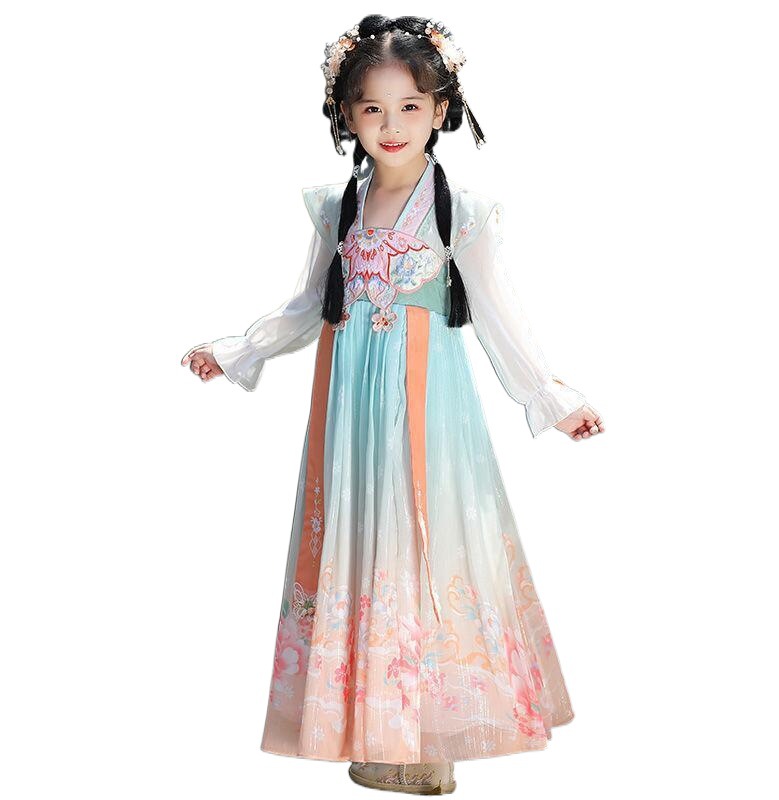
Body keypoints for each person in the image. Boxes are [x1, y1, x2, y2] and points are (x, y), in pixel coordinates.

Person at [181, 14, 605, 795]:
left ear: (441, 109)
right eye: (372, 108)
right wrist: (240, 350)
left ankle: (425, 733)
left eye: (410, 105)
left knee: (421, 538)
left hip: (427, 413)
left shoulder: (461, 212)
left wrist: (549, 396)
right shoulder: (337, 207)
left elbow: (500, 315)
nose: (392, 124)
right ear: (346, 115)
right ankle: (371, 728)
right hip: (350, 413)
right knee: (358, 540)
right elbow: (307, 305)